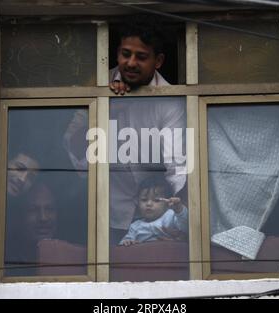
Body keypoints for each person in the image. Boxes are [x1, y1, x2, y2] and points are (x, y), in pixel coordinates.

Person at [63, 15, 187, 245]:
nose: (130, 63)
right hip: (107, 214)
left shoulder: (170, 101)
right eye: (125, 54)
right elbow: (73, 148)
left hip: (158, 219)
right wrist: (107, 108)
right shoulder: (99, 85)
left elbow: (177, 167)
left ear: (158, 61)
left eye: (141, 57)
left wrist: (179, 217)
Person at [119, 176, 188, 246]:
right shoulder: (135, 226)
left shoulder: (170, 216)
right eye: (144, 200)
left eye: (156, 200)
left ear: (167, 203)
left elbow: (185, 227)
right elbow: (123, 244)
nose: (149, 204)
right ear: (137, 202)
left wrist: (179, 210)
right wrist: (127, 242)